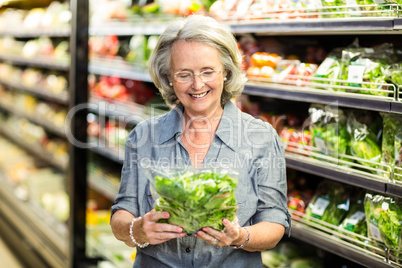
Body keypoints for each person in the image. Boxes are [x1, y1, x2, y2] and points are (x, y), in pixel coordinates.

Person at [110, 14, 290, 267]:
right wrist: (136, 230)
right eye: (184, 74)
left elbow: (275, 220)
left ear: (226, 72)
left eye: (208, 72)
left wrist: (241, 236)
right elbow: (122, 210)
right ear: (168, 77)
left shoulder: (260, 137)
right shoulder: (144, 136)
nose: (197, 85)